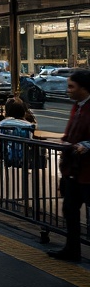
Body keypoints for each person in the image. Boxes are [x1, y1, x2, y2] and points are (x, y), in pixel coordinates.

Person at [50, 69, 90, 262]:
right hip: (73, 170)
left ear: (84, 88)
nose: (68, 90)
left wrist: (85, 145)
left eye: (72, 86)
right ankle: (72, 249)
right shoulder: (77, 107)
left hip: (87, 172)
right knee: (70, 209)